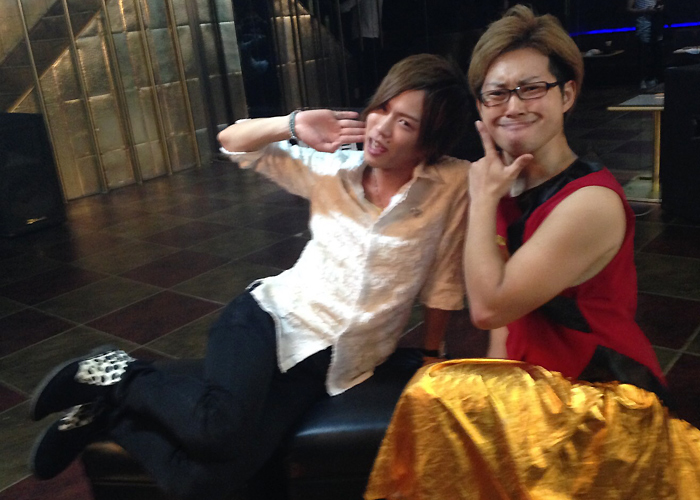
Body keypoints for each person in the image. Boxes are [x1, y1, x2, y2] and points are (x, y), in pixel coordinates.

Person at [28, 53, 473, 499]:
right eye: (383, 108)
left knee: (203, 482)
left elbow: (444, 277)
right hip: (268, 320)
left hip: (328, 366)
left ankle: (106, 414)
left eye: (405, 124)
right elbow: (233, 143)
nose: (381, 128)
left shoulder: (450, 185)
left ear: (429, 145)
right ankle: (118, 371)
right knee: (217, 429)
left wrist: (431, 354)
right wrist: (293, 123)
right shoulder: (332, 169)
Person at [365, 7, 700, 499]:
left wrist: (482, 200)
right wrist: (500, 397)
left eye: (531, 88)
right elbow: (505, 329)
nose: (513, 106)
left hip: (597, 398)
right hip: (534, 390)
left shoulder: (588, 202)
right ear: (481, 108)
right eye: (497, 93)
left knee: (433, 392)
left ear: (567, 94)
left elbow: (489, 307)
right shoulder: (510, 184)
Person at [627, 0, 665, 90]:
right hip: (643, 24)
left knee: (657, 52)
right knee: (645, 53)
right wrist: (645, 10)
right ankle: (644, 79)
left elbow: (660, 2)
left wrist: (660, 7)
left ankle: (655, 78)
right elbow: (628, 9)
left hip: (656, 23)